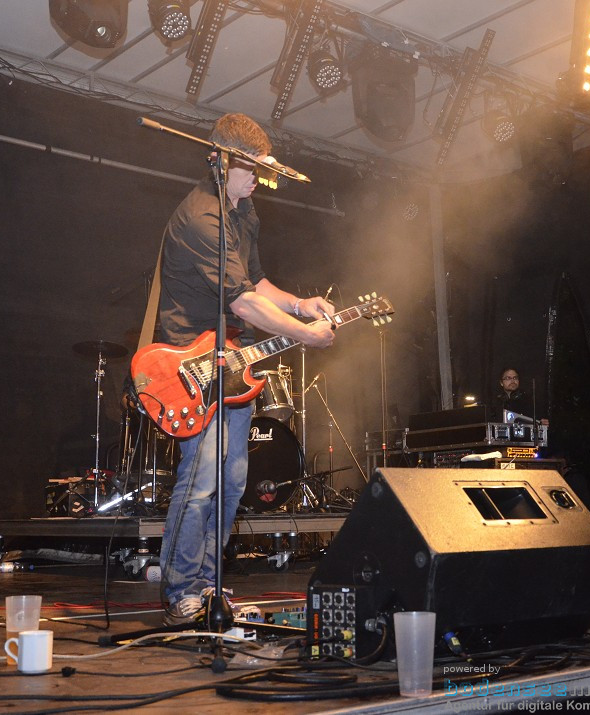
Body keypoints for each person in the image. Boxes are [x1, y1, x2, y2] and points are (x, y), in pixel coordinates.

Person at [156, 113, 335, 624]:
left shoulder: (243, 211)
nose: (258, 177)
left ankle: (210, 586)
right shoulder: (201, 216)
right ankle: (180, 591)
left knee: (233, 481)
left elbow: (256, 284)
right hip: (194, 361)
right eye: (250, 167)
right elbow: (242, 304)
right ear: (219, 160)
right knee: (203, 480)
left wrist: (302, 304)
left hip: (235, 362)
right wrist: (304, 336)